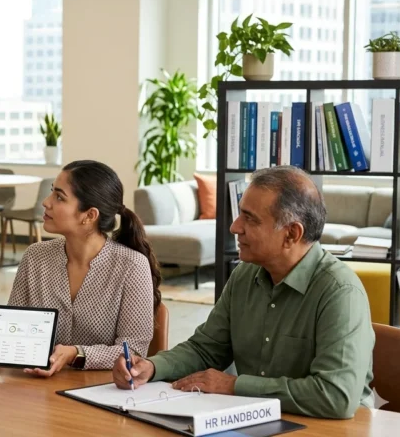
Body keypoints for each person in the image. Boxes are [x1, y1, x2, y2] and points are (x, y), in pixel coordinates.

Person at [113, 166, 375, 419]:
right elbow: (206, 349)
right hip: (255, 419)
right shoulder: (244, 275)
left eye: (250, 218)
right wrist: (152, 366)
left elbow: (336, 397)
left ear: (291, 234)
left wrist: (235, 386)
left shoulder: (341, 292)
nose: (235, 227)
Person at [0, 160, 160, 376]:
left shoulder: (132, 265)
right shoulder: (35, 256)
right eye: (52, 191)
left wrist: (76, 353)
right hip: (37, 393)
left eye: (59, 197)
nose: (46, 202)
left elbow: (134, 352)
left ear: (89, 216)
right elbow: (16, 329)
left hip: (101, 392)